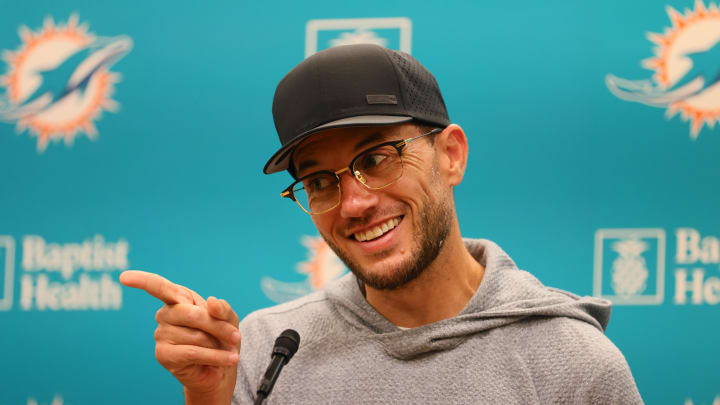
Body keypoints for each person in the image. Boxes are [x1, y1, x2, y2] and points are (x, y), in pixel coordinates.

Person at [120, 44, 644, 404]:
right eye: (321, 181)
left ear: (451, 155)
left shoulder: (574, 365)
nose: (353, 203)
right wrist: (208, 397)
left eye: (376, 158)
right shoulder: (268, 345)